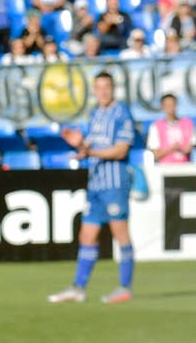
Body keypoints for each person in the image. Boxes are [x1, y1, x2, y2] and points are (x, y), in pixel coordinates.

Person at [49, 72, 136, 305]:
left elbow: (121, 150)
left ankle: (125, 287)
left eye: (107, 87)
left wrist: (91, 152)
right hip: (95, 183)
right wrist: (80, 144)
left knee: (120, 233)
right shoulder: (95, 113)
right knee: (86, 235)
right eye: (99, 87)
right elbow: (90, 144)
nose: (103, 92)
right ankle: (79, 287)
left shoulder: (122, 113)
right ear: (94, 90)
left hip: (114, 183)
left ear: (113, 88)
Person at [146, 93, 196, 164]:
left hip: (185, 166)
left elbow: (189, 148)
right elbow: (156, 155)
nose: (171, 108)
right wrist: (172, 149)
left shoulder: (188, 123)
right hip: (164, 168)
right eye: (167, 105)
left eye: (172, 105)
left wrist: (179, 148)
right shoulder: (155, 126)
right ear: (162, 107)